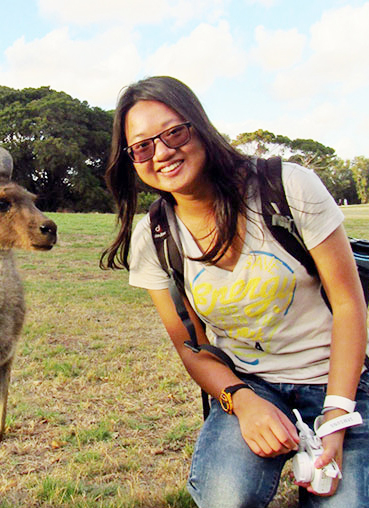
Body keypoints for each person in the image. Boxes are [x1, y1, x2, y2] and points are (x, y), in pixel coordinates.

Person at [100, 76, 369, 507]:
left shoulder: (289, 188)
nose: (163, 152)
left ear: (199, 126)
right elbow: (193, 348)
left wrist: (337, 414)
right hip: (249, 382)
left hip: (333, 376)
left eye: (173, 132)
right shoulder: (153, 237)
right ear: (132, 159)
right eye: (143, 146)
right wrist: (242, 401)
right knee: (225, 496)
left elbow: (348, 304)